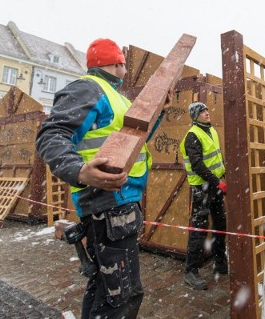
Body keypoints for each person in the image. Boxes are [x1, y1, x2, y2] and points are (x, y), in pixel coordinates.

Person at [36, 38, 165, 319]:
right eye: (123, 63)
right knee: (121, 295)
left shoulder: (118, 97)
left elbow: (132, 141)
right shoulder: (88, 88)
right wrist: (80, 171)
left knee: (107, 288)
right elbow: (51, 135)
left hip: (119, 202)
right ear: (118, 63)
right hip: (105, 203)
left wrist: (157, 113)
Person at [179, 102, 228, 290]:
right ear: (195, 116)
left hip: (215, 186)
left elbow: (216, 158)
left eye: (206, 110)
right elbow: (197, 165)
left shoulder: (211, 131)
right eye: (202, 111)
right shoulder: (192, 136)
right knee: (199, 230)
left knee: (220, 224)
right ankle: (191, 271)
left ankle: (220, 261)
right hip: (202, 190)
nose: (207, 113)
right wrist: (218, 182)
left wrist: (222, 176)